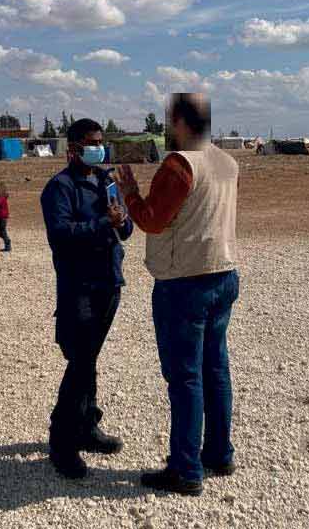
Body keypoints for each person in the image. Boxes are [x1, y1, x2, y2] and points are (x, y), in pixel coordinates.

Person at [116, 92, 239, 497]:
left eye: (171, 121)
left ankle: (186, 469)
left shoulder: (179, 163)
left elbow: (152, 220)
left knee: (185, 376)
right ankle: (219, 453)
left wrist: (130, 193)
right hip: (223, 272)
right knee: (215, 369)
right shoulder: (226, 161)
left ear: (182, 122)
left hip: (184, 281)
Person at [40, 118, 133, 479]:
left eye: (101, 141)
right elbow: (61, 235)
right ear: (73, 148)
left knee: (89, 358)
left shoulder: (106, 182)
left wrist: (120, 218)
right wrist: (102, 224)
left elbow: (125, 229)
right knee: (80, 361)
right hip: (79, 286)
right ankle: (62, 441)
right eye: (91, 142)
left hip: (109, 281)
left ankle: (87, 425)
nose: (98, 147)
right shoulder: (59, 188)